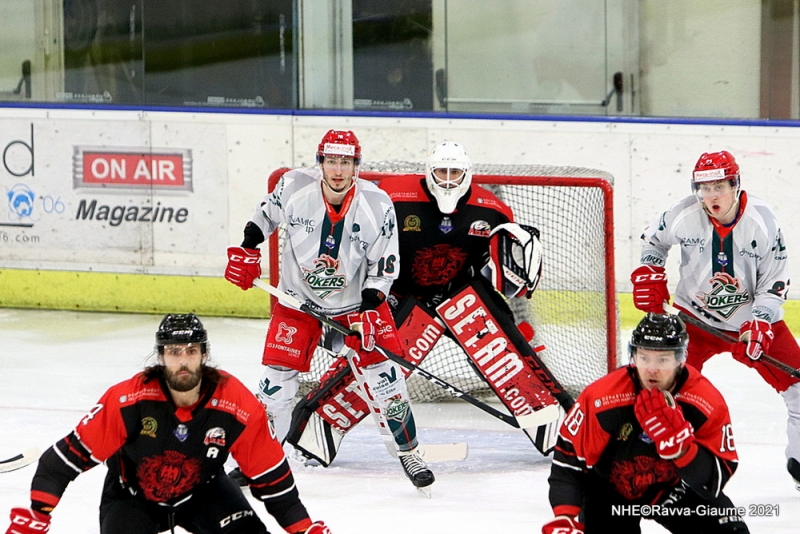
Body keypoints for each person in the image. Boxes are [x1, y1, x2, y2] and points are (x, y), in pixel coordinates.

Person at [224, 129, 434, 491]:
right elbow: (264, 216)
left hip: (357, 307)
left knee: (387, 381)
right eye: (332, 161)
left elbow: (384, 266)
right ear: (320, 162)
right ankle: (263, 460)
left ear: (357, 166)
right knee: (274, 386)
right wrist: (247, 248)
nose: (338, 170)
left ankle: (409, 453)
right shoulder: (293, 185)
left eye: (346, 162)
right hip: (298, 304)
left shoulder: (377, 203)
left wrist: (369, 309)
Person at [4, 313, 329, 534]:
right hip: (132, 497)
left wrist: (302, 527)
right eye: (174, 352)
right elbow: (62, 461)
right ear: (160, 356)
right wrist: (38, 512)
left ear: (204, 354)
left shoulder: (237, 403)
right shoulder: (127, 400)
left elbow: (272, 478)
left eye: (191, 350)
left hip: (206, 492)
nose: (183, 360)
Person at [630, 150, 800, 489]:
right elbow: (653, 241)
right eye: (704, 188)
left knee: (798, 388)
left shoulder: (764, 222)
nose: (711, 196)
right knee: (658, 389)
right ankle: (653, 465)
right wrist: (650, 269)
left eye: (719, 187)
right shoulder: (683, 213)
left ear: (735, 185)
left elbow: (774, 283)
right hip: (693, 321)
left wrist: (760, 322)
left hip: (749, 325)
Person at [542, 313, 749, 534]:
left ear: (681, 360)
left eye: (663, 360)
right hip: (611, 494)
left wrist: (684, 451)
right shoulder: (602, 398)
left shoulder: (705, 402)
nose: (652, 369)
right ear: (633, 356)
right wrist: (565, 516)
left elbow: (715, 480)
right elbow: (569, 458)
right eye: (644, 357)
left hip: (674, 489)